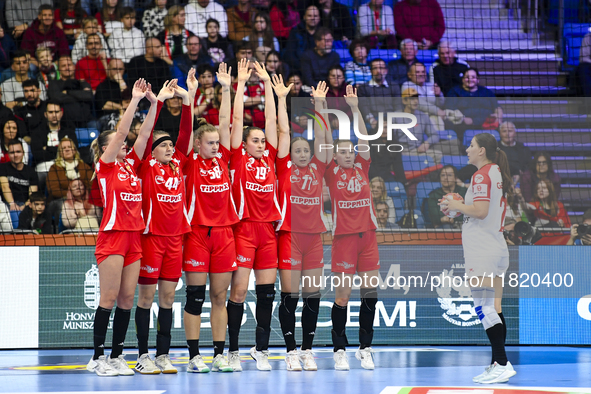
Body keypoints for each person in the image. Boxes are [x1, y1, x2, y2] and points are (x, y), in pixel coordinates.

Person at [86, 78, 151, 377]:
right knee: (108, 299)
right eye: (116, 142)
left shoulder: (130, 165)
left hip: (134, 238)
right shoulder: (107, 165)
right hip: (112, 237)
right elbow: (123, 131)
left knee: (127, 300)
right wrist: (135, 100)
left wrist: (155, 102)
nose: (123, 143)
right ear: (105, 148)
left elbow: (144, 134)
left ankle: (116, 356)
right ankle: (98, 358)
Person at [439, 133, 516, 384]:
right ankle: (498, 362)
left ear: (482, 150)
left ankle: (502, 363)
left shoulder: (481, 174)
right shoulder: (495, 173)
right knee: (494, 308)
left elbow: (480, 212)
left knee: (484, 308)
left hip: (482, 250)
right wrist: (458, 205)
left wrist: (456, 205)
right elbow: (480, 209)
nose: (467, 149)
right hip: (494, 247)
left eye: (471, 145)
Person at [132, 77, 194, 375]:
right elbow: (144, 137)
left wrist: (186, 100)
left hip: (175, 240)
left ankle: (162, 354)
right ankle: (143, 355)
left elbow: (185, 133)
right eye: (164, 145)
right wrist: (156, 103)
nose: (170, 147)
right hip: (151, 238)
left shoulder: (178, 163)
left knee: (168, 298)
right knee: (146, 298)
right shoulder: (145, 164)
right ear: (153, 150)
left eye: (171, 145)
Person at [182, 63, 236, 373]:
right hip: (198, 234)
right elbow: (186, 130)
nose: (216, 146)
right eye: (210, 143)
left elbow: (228, 120)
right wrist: (191, 94)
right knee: (195, 297)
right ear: (198, 144)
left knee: (220, 296)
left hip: (225, 234)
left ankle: (219, 354)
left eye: (217, 142)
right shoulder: (189, 162)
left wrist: (226, 88)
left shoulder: (224, 158)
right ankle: (193, 356)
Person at [227, 59, 280, 371]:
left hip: (268, 233)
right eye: (255, 140)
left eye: (262, 140)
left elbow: (271, 120)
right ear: (245, 144)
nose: (261, 143)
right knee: (238, 291)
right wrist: (242, 85)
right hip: (244, 231)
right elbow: (236, 120)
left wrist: (269, 87)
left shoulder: (270, 157)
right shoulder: (238, 158)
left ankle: (261, 350)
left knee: (266, 293)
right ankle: (233, 351)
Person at [274, 79, 330, 371]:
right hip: (290, 235)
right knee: (290, 295)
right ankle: (290, 350)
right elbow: (284, 132)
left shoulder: (318, 166)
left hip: (314, 238)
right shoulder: (283, 167)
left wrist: (320, 104)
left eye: (305, 150)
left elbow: (322, 140)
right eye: (298, 150)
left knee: (312, 295)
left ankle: (307, 349)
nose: (303, 153)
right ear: (290, 154)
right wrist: (282, 98)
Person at [324, 85, 379, 371]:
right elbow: (328, 139)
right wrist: (322, 108)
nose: (348, 155)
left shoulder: (363, 166)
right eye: (342, 152)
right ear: (334, 156)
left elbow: (364, 138)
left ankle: (365, 348)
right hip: (343, 239)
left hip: (367, 237)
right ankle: (339, 349)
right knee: (342, 297)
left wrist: (355, 108)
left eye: (351, 151)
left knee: (370, 294)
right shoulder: (331, 172)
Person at [445, 69, 502, 143]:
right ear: (462, 79)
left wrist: (498, 117)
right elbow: (450, 110)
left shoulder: (486, 92)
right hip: (463, 125)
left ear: (478, 80)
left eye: (473, 77)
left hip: (486, 123)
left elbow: (497, 107)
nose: (470, 79)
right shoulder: (454, 92)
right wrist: (463, 119)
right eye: (467, 77)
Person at [357, 58, 402, 130]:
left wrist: (392, 121)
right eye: (375, 68)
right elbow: (364, 107)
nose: (378, 71)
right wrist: (372, 121)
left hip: (391, 119)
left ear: (386, 71)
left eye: (381, 68)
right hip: (373, 119)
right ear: (371, 71)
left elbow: (398, 106)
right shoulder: (363, 88)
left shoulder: (394, 86)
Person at [48, 56, 93, 127]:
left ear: (74, 67)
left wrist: (68, 92)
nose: (67, 68)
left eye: (69, 65)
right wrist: (80, 96)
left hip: (86, 122)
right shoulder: (54, 83)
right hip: (64, 124)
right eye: (63, 66)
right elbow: (56, 98)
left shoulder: (82, 83)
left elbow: (89, 96)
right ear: (59, 69)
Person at [401, 62, 446, 131]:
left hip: (435, 115)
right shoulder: (407, 86)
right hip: (417, 116)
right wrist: (437, 110)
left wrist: (439, 95)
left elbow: (440, 104)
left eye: (423, 72)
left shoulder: (431, 85)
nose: (421, 74)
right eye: (417, 72)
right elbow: (418, 103)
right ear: (409, 75)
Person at [0, 139, 39, 210]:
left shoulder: (31, 171)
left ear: (23, 153)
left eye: (18, 152)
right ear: (8, 154)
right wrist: (12, 203)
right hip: (6, 204)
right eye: (12, 152)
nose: (15, 155)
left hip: (25, 204)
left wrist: (24, 207)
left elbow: (32, 195)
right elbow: (4, 187)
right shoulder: (2, 167)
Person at [283, 5, 320, 71]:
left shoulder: (323, 33)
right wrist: (304, 67)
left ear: (319, 18)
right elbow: (289, 55)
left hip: (318, 70)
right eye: (309, 16)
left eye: (315, 16)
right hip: (298, 70)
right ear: (304, 17)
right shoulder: (295, 32)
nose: (312, 18)